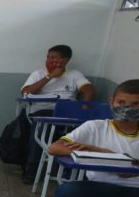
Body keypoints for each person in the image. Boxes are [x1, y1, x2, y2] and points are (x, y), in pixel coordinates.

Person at [21, 45, 94, 180]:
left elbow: (88, 89)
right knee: (41, 130)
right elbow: (27, 92)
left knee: (83, 131)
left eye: (54, 58)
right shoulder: (38, 73)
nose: (49, 60)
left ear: (65, 60)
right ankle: (32, 169)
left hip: (67, 113)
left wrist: (85, 107)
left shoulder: (74, 74)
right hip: (43, 112)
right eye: (48, 57)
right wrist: (49, 76)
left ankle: (70, 170)